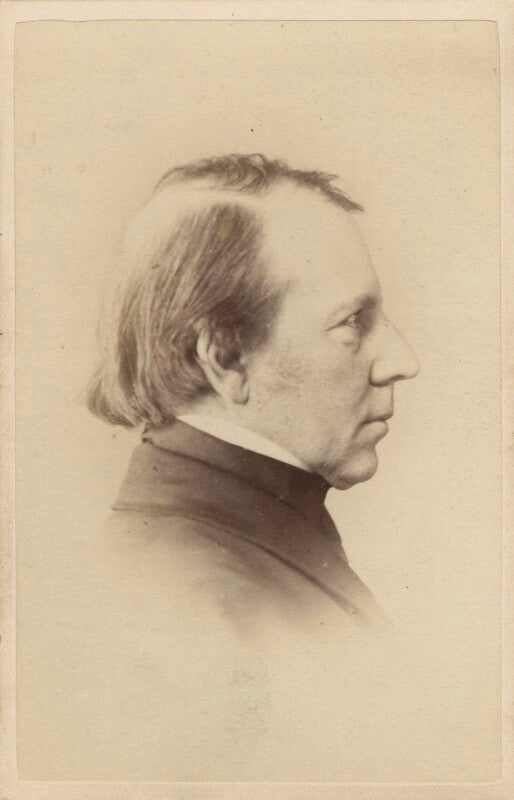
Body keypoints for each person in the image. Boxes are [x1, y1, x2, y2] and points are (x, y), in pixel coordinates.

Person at [27, 154, 421, 780]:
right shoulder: (195, 609)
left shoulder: (229, 548)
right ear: (226, 359)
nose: (402, 360)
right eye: (352, 323)